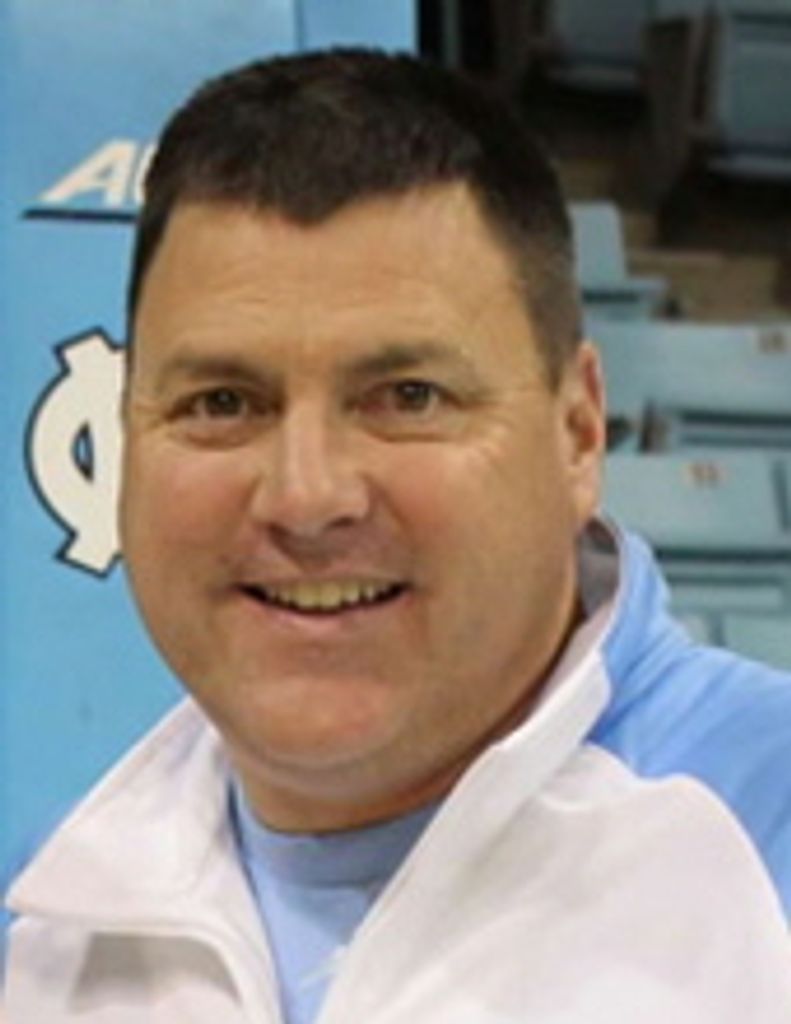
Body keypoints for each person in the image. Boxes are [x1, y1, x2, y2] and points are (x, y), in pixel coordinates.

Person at [4, 48, 791, 1023]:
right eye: (222, 402)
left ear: (578, 433)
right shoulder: (44, 926)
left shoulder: (765, 836)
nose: (305, 497)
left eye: (408, 396)